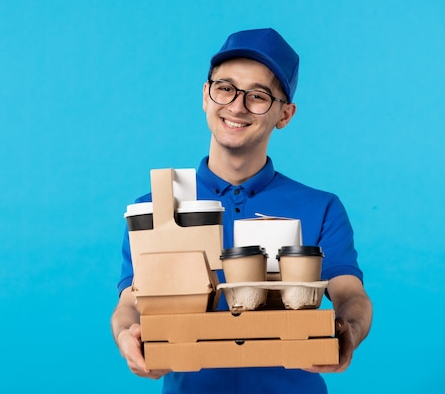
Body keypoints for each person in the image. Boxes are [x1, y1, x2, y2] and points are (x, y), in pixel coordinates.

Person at [110, 28, 373, 394]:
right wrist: (128, 334)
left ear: (285, 114)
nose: (236, 105)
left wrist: (348, 331)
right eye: (225, 88)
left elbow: (351, 295)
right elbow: (130, 303)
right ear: (205, 95)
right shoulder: (153, 208)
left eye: (259, 96)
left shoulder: (321, 207)